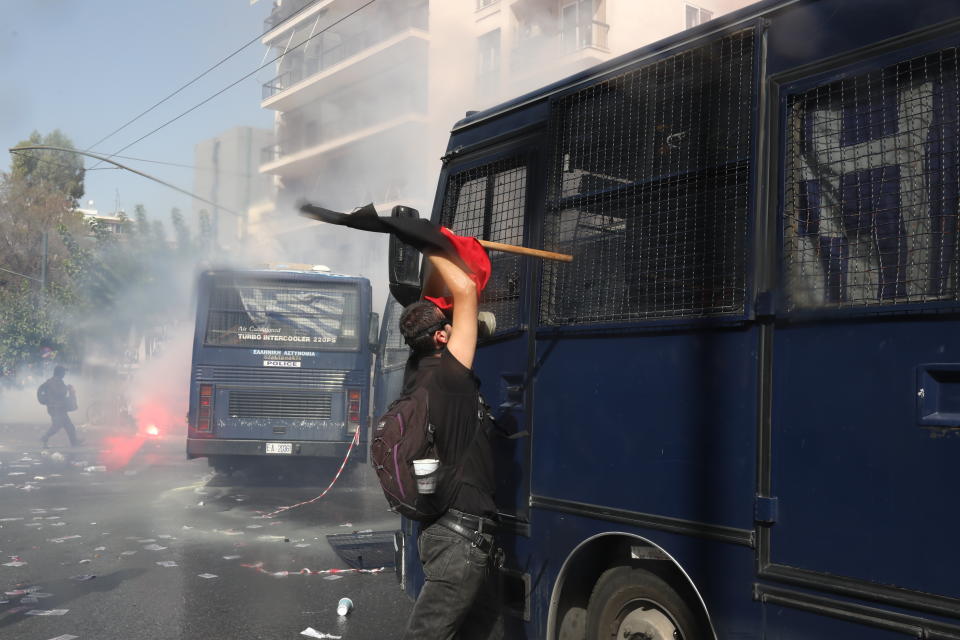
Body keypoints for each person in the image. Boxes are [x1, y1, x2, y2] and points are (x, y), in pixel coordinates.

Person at [399, 250, 502, 640]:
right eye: (453, 326)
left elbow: (430, 304)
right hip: (460, 540)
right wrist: (434, 242)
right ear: (442, 337)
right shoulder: (452, 379)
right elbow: (464, 291)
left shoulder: (417, 371)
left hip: (450, 532)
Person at [38, 365, 82, 448]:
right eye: (63, 372)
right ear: (60, 373)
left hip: (59, 407)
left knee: (69, 426)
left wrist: (67, 388)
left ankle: (74, 442)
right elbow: (59, 393)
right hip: (55, 408)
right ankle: (44, 437)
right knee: (57, 426)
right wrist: (68, 388)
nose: (64, 374)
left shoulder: (56, 381)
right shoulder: (54, 381)